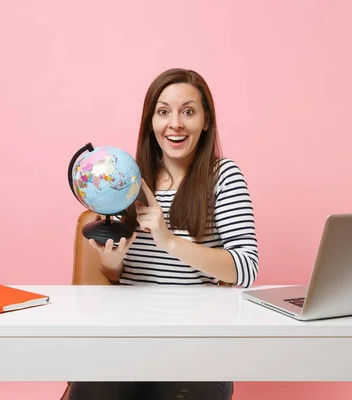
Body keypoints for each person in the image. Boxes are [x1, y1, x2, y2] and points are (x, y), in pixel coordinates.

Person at [67, 68, 259, 400]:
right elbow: (126, 278)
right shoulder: (127, 181)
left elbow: (245, 269)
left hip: (195, 345)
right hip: (127, 341)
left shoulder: (223, 177)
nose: (175, 124)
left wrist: (168, 240)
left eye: (188, 111)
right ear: (150, 122)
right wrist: (111, 267)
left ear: (206, 121)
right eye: (163, 112)